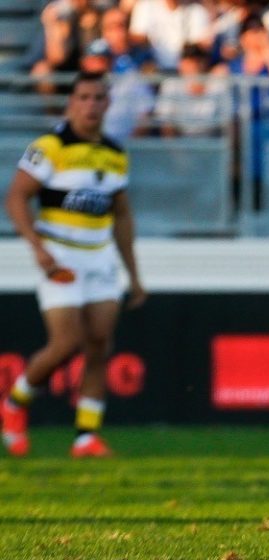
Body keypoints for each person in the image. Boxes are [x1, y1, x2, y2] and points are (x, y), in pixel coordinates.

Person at [2, 71, 147, 458]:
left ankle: (86, 436)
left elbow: (122, 216)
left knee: (99, 343)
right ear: (72, 101)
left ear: (108, 104)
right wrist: (37, 247)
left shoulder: (115, 154)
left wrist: (134, 274)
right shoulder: (49, 147)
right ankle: (14, 404)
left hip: (99, 258)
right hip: (60, 256)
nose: (91, 105)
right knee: (66, 343)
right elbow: (16, 198)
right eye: (83, 97)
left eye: (99, 98)